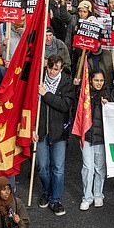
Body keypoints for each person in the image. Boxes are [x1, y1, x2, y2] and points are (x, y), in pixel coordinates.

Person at [34, 54, 73, 216]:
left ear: (61, 69)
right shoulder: (38, 79)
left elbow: (65, 105)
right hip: (41, 130)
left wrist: (46, 95)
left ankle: (55, 199)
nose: (51, 72)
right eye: (50, 68)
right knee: (42, 167)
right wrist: (31, 128)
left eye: (56, 69)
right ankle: (47, 191)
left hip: (59, 132)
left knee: (58, 168)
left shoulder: (66, 82)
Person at [78, 69, 108, 210]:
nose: (99, 83)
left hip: (102, 138)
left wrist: (107, 105)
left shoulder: (108, 95)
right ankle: (87, 197)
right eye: (96, 80)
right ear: (90, 81)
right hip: (88, 136)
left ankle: (98, 195)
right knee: (87, 168)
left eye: (101, 80)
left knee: (100, 168)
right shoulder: (85, 95)